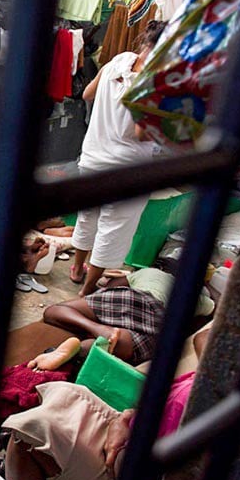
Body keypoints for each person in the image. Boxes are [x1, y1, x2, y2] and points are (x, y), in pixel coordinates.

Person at [0, 325, 210, 480]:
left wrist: (120, 429)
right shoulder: (224, 398)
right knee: (66, 394)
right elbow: (204, 338)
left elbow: (126, 471)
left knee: (33, 430)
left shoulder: (189, 405)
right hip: (142, 445)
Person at [70, 20, 168, 296]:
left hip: (92, 157)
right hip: (128, 168)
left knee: (87, 215)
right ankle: (88, 289)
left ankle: (77, 269)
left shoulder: (119, 62)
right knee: (113, 229)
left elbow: (88, 93)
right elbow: (141, 133)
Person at [42, 263, 215, 365]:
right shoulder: (195, 293)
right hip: (161, 318)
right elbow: (211, 310)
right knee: (121, 344)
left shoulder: (150, 272)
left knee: (53, 312)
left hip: (134, 297)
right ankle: (81, 350)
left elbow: (113, 286)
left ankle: (96, 327)